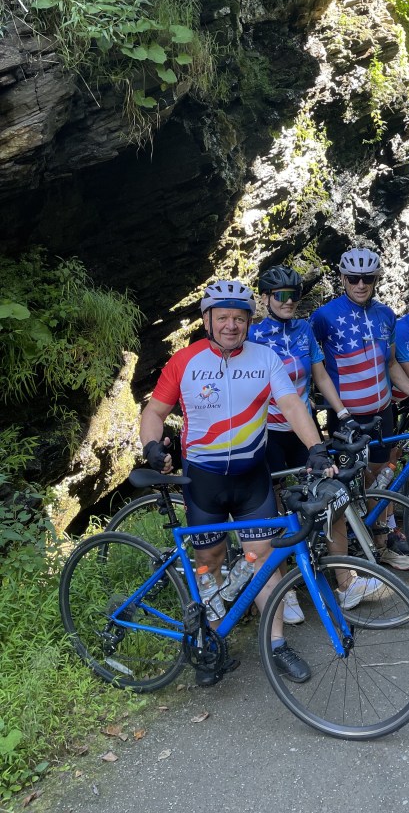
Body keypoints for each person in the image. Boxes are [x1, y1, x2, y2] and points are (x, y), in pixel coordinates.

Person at [140, 279, 325, 686]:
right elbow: (154, 412)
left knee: (263, 561)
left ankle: (277, 645)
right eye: (222, 317)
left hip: (251, 480)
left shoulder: (265, 358)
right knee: (210, 564)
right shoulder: (185, 361)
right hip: (203, 480)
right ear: (207, 320)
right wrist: (151, 445)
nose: (231, 325)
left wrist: (315, 447)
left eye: (239, 318)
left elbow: (292, 404)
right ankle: (211, 642)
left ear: (248, 322)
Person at [249, 265, 393, 617]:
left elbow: (321, 376)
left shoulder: (304, 330)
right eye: (281, 296)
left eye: (295, 295)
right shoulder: (253, 336)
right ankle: (284, 593)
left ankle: (345, 582)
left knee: (330, 496)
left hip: (305, 431)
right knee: (277, 511)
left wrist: (342, 413)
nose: (289, 302)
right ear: (265, 298)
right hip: (268, 434)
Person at [309, 247, 409, 482]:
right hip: (346, 416)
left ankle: (380, 508)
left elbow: (391, 364)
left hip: (383, 413)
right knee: (352, 481)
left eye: (368, 278)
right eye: (353, 278)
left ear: (376, 280)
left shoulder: (386, 314)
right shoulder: (323, 316)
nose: (361, 285)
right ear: (343, 278)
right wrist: (303, 395)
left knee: (378, 473)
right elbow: (309, 361)